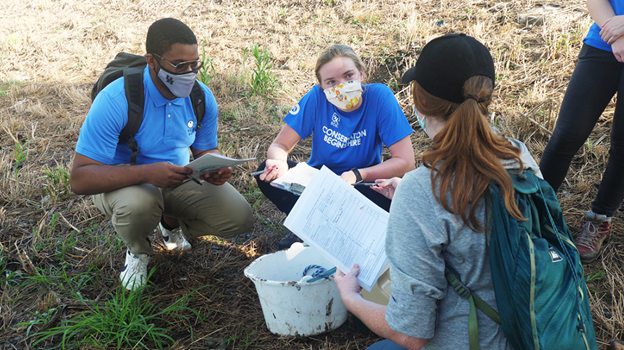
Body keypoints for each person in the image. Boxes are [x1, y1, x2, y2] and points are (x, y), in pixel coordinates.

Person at [335, 34, 542, 350]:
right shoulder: (518, 154)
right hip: (534, 330)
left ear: (421, 103)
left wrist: (351, 298)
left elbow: (411, 334)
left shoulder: (423, 191)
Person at [69, 18, 253, 291]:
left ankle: (169, 223)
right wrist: (147, 173)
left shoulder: (200, 97)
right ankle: (138, 251)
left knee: (239, 217)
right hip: (123, 183)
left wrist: (216, 165)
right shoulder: (116, 99)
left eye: (195, 64)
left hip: (177, 179)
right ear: (152, 61)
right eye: (179, 65)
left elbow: (205, 149)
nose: (189, 73)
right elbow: (80, 179)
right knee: (140, 203)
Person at [255, 44, 415, 249]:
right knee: (265, 172)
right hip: (317, 184)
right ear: (322, 86)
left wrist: (358, 175)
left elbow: (406, 161)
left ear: (361, 74)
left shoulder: (379, 97)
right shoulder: (316, 98)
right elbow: (280, 144)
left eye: (349, 76)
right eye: (331, 82)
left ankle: (327, 229)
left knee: (393, 201)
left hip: (362, 184)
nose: (342, 86)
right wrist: (278, 162)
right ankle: (308, 228)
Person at [539, 0, 624, 263]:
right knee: (566, 134)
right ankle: (535, 209)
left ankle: (599, 218)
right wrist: (615, 31)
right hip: (606, 38)